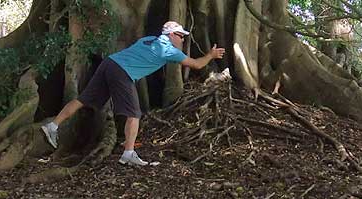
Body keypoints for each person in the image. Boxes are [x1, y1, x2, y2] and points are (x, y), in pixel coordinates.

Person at [40, 21, 226, 166]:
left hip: (109, 64)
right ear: (171, 35)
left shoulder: (147, 40)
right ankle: (128, 154)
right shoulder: (167, 50)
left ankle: (52, 126)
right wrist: (211, 55)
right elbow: (197, 65)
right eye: (180, 36)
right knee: (134, 113)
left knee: (83, 99)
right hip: (123, 72)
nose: (182, 40)